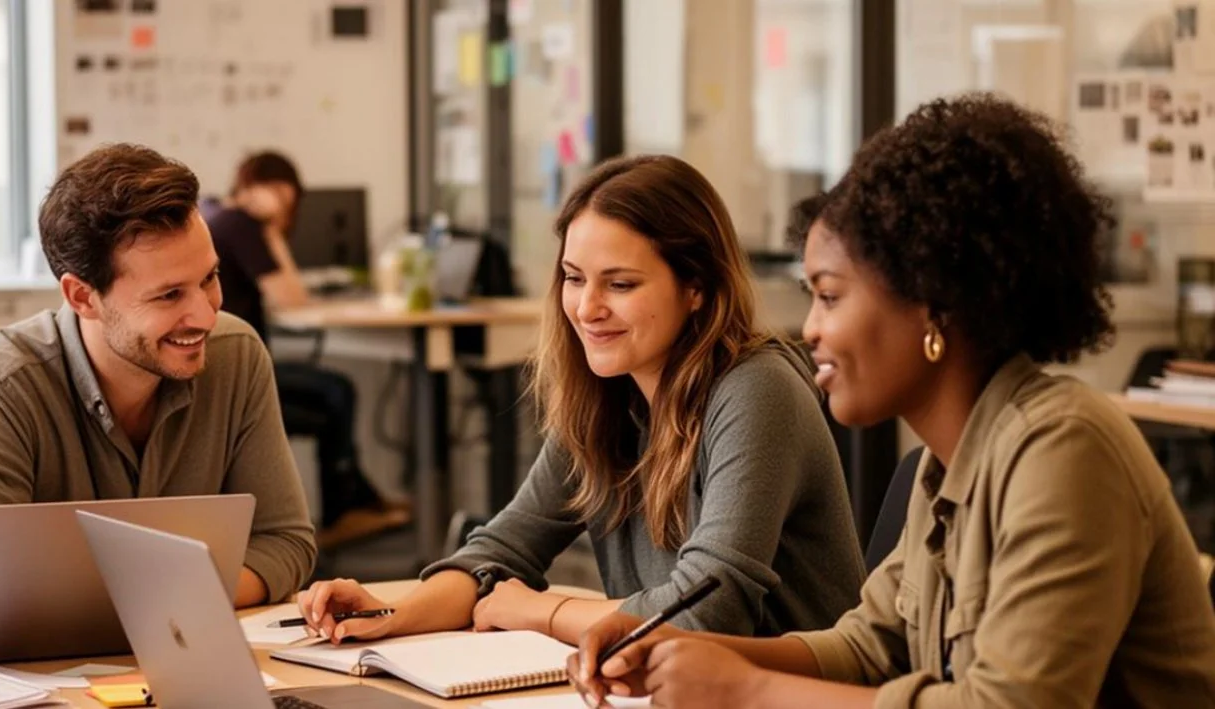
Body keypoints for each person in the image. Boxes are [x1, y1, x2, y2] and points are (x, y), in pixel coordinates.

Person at [569, 95, 1215, 708]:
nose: (813, 329)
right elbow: (869, 644)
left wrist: (749, 689)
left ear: (931, 302)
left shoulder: (1065, 447)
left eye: (830, 295)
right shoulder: (946, 464)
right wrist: (679, 645)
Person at [295, 154, 864, 646]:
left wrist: (544, 613)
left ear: (696, 288)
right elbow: (503, 549)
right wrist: (388, 615)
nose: (586, 308)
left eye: (619, 284)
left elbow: (705, 614)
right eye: (573, 278)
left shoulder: (755, 388)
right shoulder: (608, 395)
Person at [0, 144, 317, 621]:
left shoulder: (237, 356)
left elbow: (285, 543)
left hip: (190, 664)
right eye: (169, 295)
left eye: (208, 278)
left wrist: (150, 601)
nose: (206, 315)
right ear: (83, 296)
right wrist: (181, 590)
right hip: (44, 683)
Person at [207, 151, 409, 548]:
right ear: (282, 191)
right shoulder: (242, 225)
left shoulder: (221, 216)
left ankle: (355, 501)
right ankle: (344, 510)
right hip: (236, 379)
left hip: (227, 372)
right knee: (335, 392)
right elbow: (292, 297)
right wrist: (271, 228)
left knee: (332, 392)